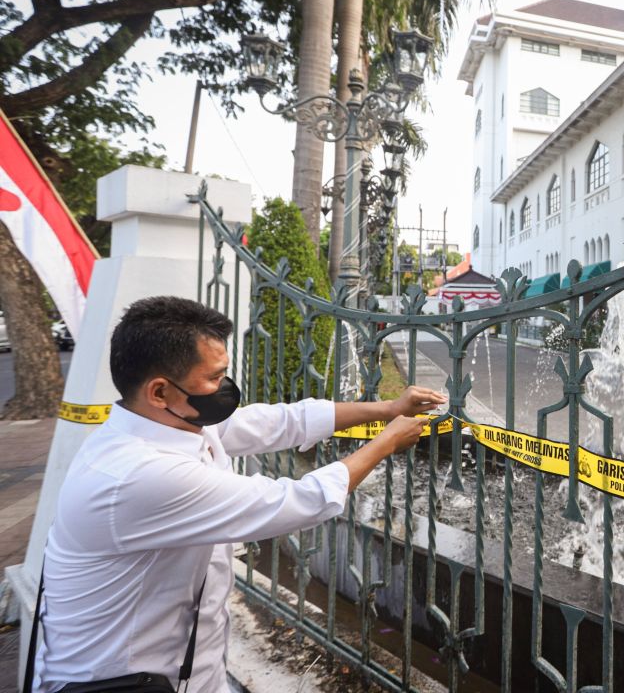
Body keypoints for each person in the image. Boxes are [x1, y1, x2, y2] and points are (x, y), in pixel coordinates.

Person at [32, 296, 446, 692]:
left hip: (187, 667)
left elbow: (282, 422)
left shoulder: (172, 423)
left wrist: (388, 408)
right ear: (160, 392)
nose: (225, 387)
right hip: (119, 679)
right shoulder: (139, 474)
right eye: (213, 378)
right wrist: (387, 442)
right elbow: (299, 500)